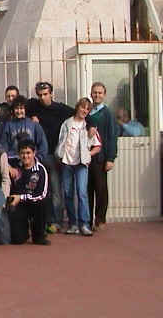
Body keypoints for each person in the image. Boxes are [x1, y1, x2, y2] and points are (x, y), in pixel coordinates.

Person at [26, 81, 75, 233]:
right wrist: (31, 116)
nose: (43, 97)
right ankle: (42, 221)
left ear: (51, 94)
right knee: (38, 188)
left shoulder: (60, 109)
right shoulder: (33, 106)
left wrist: (92, 125)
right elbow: (17, 107)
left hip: (54, 155)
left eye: (46, 94)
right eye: (40, 95)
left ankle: (56, 221)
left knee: (55, 189)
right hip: (39, 155)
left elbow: (80, 113)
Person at [55, 98, 100, 236]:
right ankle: (73, 224)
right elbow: (60, 141)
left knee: (82, 193)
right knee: (68, 194)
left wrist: (88, 154)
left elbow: (97, 146)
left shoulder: (89, 126)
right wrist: (60, 155)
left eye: (87, 109)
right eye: (82, 107)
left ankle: (84, 224)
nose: (84, 111)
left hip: (81, 165)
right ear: (77, 107)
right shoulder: (67, 123)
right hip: (67, 163)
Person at [86, 82, 118, 231]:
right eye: (94, 92)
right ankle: (87, 220)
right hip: (86, 158)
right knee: (87, 190)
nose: (97, 95)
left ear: (104, 95)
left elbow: (112, 136)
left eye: (100, 93)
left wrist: (111, 158)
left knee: (100, 190)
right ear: (91, 94)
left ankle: (100, 219)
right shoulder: (87, 111)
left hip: (100, 158)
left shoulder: (107, 113)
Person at [8, 140, 50, 245]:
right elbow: (1, 158)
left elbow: (41, 195)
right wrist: (9, 167)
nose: (25, 156)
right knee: (17, 240)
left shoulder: (41, 170)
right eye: (22, 153)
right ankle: (23, 232)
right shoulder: (14, 162)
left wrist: (21, 197)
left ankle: (39, 235)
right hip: (18, 205)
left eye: (28, 153)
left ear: (34, 153)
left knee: (42, 203)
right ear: (18, 154)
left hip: (34, 203)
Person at [0, 96, 48, 168]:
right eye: (16, 108)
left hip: (30, 160)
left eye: (21, 108)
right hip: (13, 160)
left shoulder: (33, 124)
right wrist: (7, 163)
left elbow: (43, 144)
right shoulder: (8, 125)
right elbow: (4, 145)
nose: (19, 111)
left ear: (25, 109)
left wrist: (38, 158)